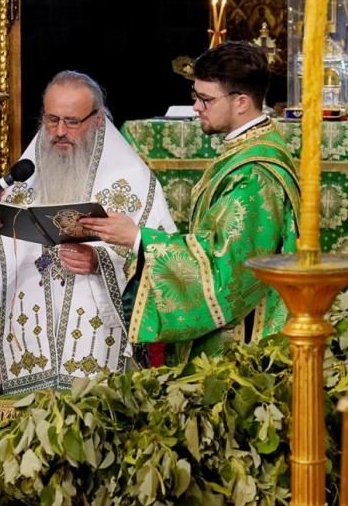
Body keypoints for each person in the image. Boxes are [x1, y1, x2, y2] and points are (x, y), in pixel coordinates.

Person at [81, 42, 300, 366]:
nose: (196, 107)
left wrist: (138, 239)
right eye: (195, 96)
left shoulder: (254, 173)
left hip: (244, 344)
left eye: (206, 99)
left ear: (241, 102)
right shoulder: (248, 149)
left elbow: (230, 273)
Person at [0, 71, 176, 395]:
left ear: (97, 120)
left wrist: (100, 261)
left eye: (71, 121)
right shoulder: (23, 181)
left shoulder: (134, 182)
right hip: (24, 351)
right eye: (51, 120)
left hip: (99, 351)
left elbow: (164, 260)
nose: (59, 132)